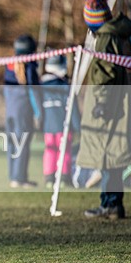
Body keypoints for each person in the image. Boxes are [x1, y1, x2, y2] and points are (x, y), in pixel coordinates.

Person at [77, 0, 131, 219]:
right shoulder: (118, 34)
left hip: (114, 105)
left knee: (108, 154)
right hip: (123, 101)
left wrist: (102, 105)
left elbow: (105, 76)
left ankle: (110, 203)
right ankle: (111, 202)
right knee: (112, 156)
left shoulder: (107, 38)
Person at [4, 35, 42, 188]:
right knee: (22, 143)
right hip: (23, 111)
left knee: (13, 143)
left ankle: (15, 176)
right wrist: (40, 113)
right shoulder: (29, 67)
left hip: (10, 110)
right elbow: (34, 91)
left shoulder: (9, 65)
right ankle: (19, 178)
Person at [40, 54, 78, 188]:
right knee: (64, 150)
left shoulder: (42, 85)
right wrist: (77, 125)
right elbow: (72, 106)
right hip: (64, 125)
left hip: (48, 126)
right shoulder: (64, 86)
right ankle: (63, 177)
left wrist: (40, 121)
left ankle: (49, 177)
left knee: (50, 150)